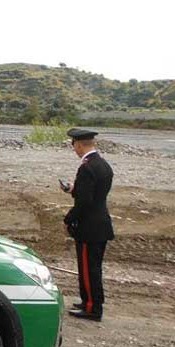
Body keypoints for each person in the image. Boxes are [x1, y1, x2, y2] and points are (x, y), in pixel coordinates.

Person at [62, 128, 114, 322]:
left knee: (88, 268)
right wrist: (73, 190)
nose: (74, 149)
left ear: (79, 144)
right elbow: (94, 194)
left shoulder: (86, 167)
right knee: (93, 267)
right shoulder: (103, 165)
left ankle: (92, 307)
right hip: (101, 223)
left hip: (89, 227)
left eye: (74, 145)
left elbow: (84, 202)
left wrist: (68, 219)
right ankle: (89, 301)